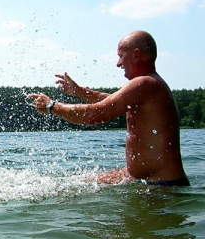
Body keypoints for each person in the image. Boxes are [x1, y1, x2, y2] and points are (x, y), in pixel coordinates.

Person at [27, 30, 189, 186]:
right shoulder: (148, 85)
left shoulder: (145, 83)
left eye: (120, 56)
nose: (118, 63)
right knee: (84, 181)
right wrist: (79, 91)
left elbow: (94, 114)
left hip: (166, 190)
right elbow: (111, 101)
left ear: (136, 54)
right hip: (151, 184)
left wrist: (52, 106)